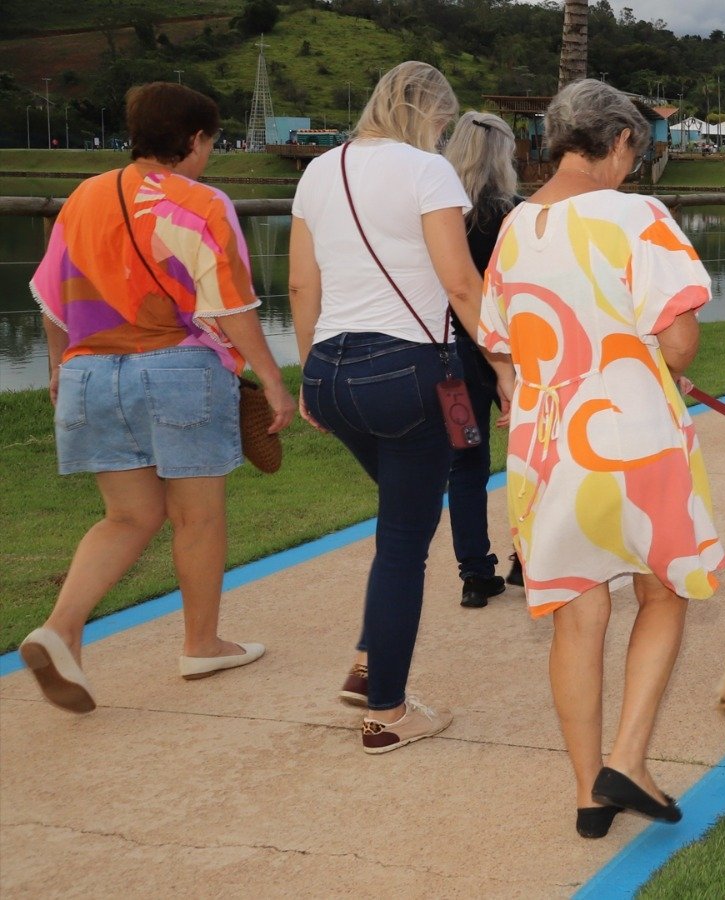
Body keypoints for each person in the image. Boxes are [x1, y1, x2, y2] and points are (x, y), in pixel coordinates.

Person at [478, 79, 725, 838]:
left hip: (547, 446)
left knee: (577, 616)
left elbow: (501, 344)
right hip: (634, 432)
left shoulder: (517, 225)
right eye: (634, 152)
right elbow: (679, 339)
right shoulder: (637, 215)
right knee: (663, 590)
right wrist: (657, 357)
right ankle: (628, 758)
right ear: (618, 141)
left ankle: (590, 793)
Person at [22, 82, 293, 713]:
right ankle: (201, 643)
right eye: (211, 143)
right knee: (196, 515)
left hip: (91, 373)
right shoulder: (201, 201)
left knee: (127, 516)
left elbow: (50, 296)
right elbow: (232, 304)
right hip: (178, 368)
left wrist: (60, 367)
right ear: (195, 139)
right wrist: (274, 382)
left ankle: (60, 628)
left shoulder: (84, 196)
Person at [289, 61, 513, 753]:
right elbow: (461, 284)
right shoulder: (427, 171)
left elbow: (301, 284)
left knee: (401, 520)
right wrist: (504, 368)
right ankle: (386, 711)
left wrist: (307, 374)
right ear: (429, 114)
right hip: (414, 371)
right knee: (402, 547)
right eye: (443, 123)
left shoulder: (317, 172)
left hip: (332, 368)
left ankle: (367, 663)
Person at [442, 111, 524, 607]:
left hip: (451, 356)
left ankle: (474, 573)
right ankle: (526, 558)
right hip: (516, 355)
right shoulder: (518, 215)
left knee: (465, 462)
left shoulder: (438, 218)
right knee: (528, 456)